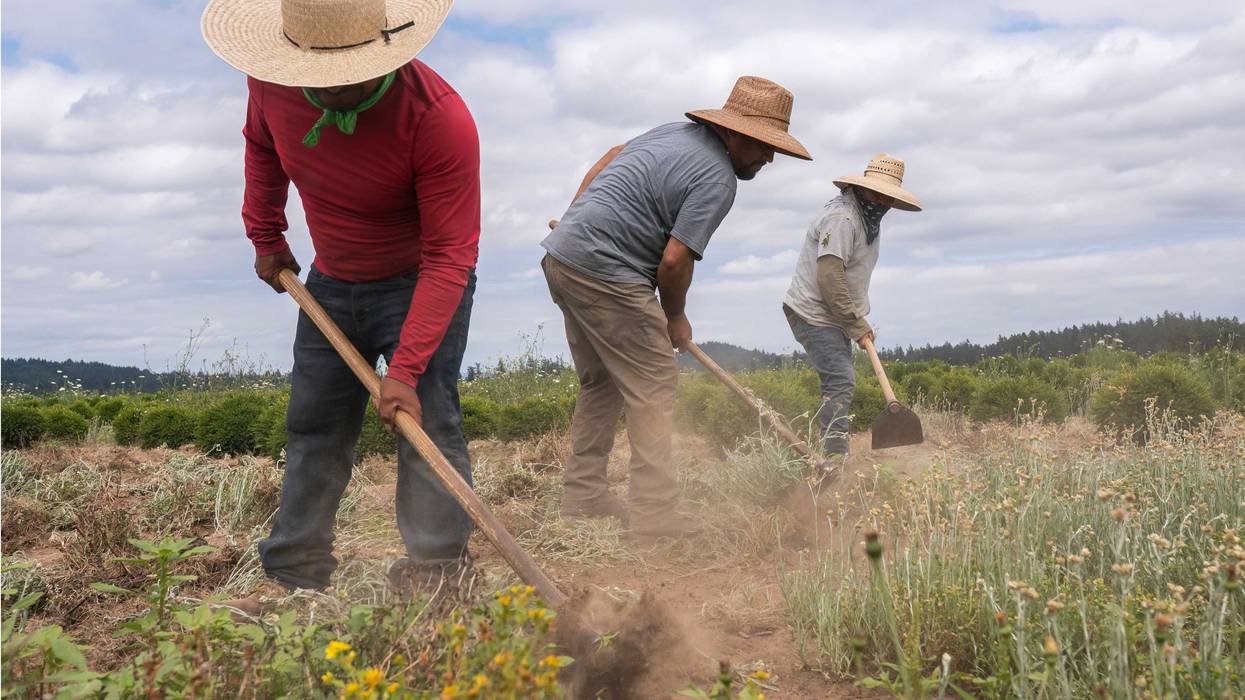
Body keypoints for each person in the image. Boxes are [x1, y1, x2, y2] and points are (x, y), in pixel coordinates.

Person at [201, 0, 480, 611]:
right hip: (329, 283)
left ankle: (437, 576)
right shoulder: (271, 82)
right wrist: (265, 235)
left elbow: (449, 257)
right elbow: (262, 148)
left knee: (428, 424)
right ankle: (294, 577)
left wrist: (404, 372)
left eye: (345, 80)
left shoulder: (437, 118)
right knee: (314, 428)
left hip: (420, 283)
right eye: (317, 81)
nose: (329, 93)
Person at [541, 76, 812, 536]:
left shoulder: (670, 133)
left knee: (601, 384)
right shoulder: (718, 179)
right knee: (654, 386)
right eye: (764, 147)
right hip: (607, 274)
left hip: (563, 258)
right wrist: (675, 317)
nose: (768, 158)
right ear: (734, 133)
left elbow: (611, 155)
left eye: (774, 150)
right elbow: (673, 260)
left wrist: (575, 215)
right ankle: (655, 515)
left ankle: (583, 499)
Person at [782, 154, 922, 456]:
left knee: (840, 381)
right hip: (814, 312)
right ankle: (833, 459)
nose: (883, 202)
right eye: (878, 194)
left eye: (888, 197)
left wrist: (854, 319)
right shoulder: (843, 218)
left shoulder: (868, 217)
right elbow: (830, 277)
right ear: (863, 188)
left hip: (837, 315)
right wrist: (855, 321)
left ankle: (832, 452)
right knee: (841, 381)